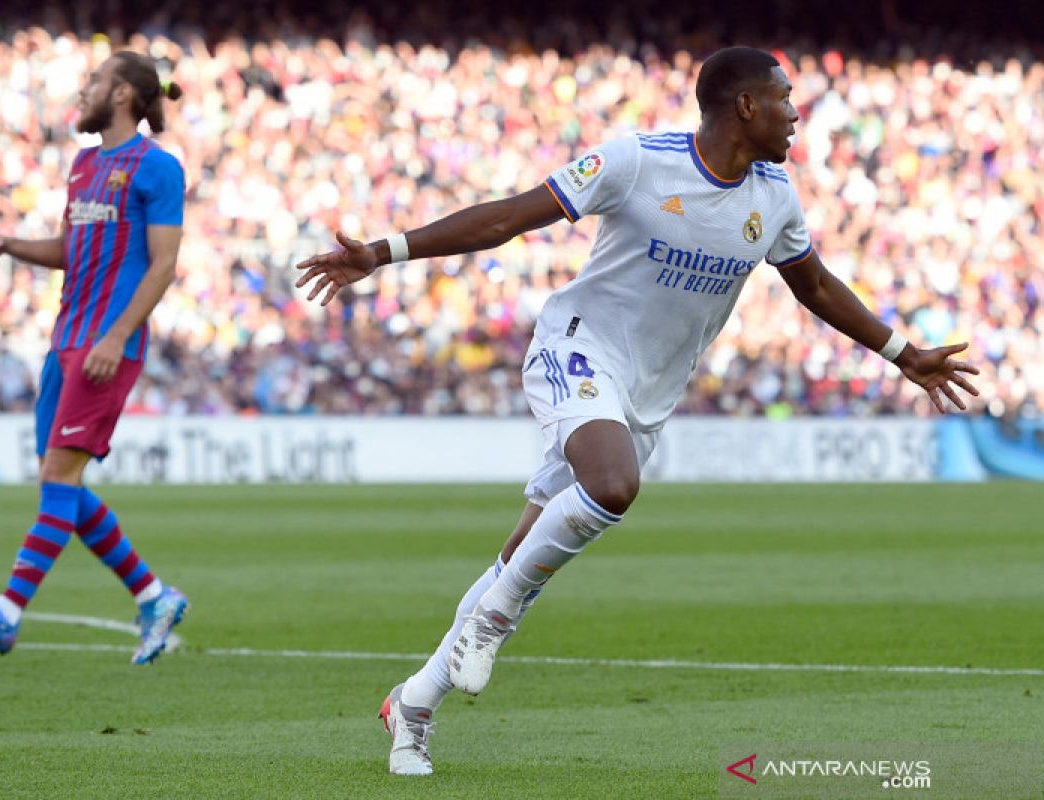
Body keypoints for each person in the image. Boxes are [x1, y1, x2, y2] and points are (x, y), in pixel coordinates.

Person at [295, 46, 981, 775]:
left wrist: (901, 351)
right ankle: (490, 624)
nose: (796, 111)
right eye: (784, 96)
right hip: (576, 347)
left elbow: (811, 284)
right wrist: (384, 251)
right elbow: (510, 219)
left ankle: (415, 706)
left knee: (519, 554)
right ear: (744, 105)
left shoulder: (774, 195)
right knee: (611, 487)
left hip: (648, 394)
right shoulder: (637, 162)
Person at [0, 51, 190, 666]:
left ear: (124, 94)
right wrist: (14, 245)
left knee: (57, 480)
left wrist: (117, 335)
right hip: (66, 340)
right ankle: (153, 596)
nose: (84, 90)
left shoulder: (159, 168)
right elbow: (75, 250)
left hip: (106, 347)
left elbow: (163, 265)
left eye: (95, 81)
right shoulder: (83, 166)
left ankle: (5, 614)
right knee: (62, 484)